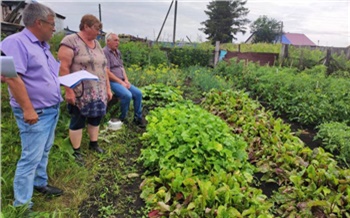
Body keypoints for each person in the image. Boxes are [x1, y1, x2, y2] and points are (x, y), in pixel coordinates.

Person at [0, 2, 63, 211]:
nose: (54, 28)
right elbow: (11, 77)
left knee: (44, 151)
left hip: (51, 109)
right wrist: (28, 108)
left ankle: (39, 183)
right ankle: (22, 205)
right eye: (52, 24)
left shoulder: (42, 46)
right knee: (30, 157)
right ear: (39, 22)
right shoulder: (16, 42)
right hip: (36, 111)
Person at [57, 14, 113, 163]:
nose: (99, 32)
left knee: (96, 117)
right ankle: (76, 151)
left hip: (98, 89)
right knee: (78, 119)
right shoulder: (70, 41)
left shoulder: (97, 44)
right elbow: (63, 67)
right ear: (86, 26)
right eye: (96, 29)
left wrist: (107, 88)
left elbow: (103, 67)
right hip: (80, 90)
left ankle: (93, 144)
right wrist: (68, 90)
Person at [103, 33, 145, 128]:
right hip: (112, 81)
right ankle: (122, 118)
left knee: (138, 93)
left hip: (121, 80)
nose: (118, 42)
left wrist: (126, 80)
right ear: (108, 41)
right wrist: (121, 82)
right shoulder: (105, 52)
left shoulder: (117, 52)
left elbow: (122, 67)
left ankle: (137, 118)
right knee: (127, 95)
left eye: (118, 40)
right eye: (115, 40)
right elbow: (107, 72)